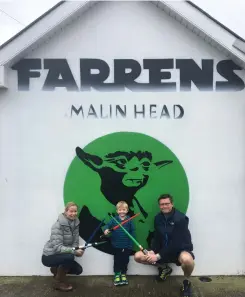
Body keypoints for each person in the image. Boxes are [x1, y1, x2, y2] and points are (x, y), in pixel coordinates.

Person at [134, 194, 195, 297]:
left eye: (167, 203)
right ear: (159, 206)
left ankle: (187, 282)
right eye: (162, 204)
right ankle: (164, 268)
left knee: (188, 260)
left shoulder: (181, 219)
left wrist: (158, 256)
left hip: (179, 250)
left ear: (172, 204)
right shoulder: (158, 218)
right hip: (163, 250)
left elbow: (176, 243)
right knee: (138, 256)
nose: (164, 206)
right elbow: (157, 237)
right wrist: (153, 250)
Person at [41, 202, 84, 292]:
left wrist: (78, 250)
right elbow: (57, 248)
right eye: (71, 211)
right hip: (49, 256)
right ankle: (58, 283)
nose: (73, 214)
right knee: (70, 257)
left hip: (62, 255)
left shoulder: (76, 224)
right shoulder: (57, 226)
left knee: (78, 270)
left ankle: (55, 270)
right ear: (66, 211)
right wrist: (73, 251)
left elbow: (75, 244)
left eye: (75, 211)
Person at [103, 201, 136, 286]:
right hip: (116, 245)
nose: (122, 211)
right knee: (117, 261)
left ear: (127, 210)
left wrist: (131, 245)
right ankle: (117, 274)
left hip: (127, 246)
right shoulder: (114, 220)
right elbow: (107, 226)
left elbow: (133, 232)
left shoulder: (129, 220)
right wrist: (106, 230)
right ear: (117, 211)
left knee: (125, 261)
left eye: (124, 209)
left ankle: (123, 274)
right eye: (120, 210)